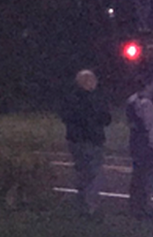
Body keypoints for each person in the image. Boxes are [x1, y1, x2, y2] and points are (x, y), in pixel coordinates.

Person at [60, 69, 112, 216]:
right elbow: (104, 118)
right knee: (93, 173)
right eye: (92, 80)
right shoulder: (91, 99)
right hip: (89, 139)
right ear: (87, 82)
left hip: (77, 140)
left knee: (82, 173)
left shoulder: (71, 97)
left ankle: (82, 203)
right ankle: (90, 206)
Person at [126, 77, 153, 218]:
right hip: (145, 144)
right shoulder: (146, 103)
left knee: (137, 176)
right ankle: (143, 207)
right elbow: (149, 128)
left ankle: (135, 206)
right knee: (146, 177)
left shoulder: (132, 100)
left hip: (135, 142)